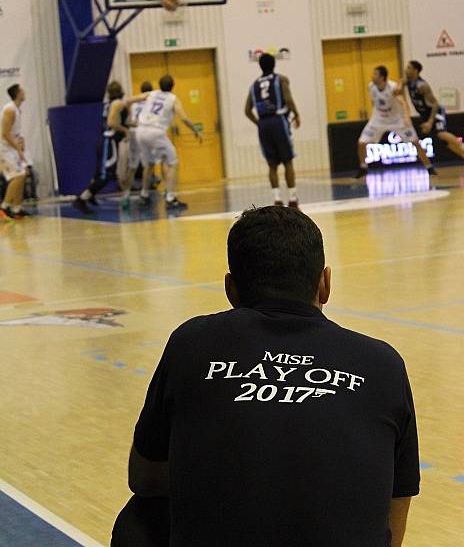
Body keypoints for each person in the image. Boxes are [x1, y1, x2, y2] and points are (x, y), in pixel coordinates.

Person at [111, 206, 420, 547]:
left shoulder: (192, 342)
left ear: (231, 289)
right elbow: (395, 504)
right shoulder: (383, 363)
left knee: (139, 521)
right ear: (325, 283)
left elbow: (145, 478)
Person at [74, 81, 147, 215]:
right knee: (106, 175)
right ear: (120, 90)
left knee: (100, 173)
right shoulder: (117, 103)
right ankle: (82, 199)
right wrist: (125, 130)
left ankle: (91, 196)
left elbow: (128, 104)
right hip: (109, 141)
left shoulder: (113, 103)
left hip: (106, 141)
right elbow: (111, 122)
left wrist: (135, 124)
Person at [400, 60, 464, 174]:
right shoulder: (408, 81)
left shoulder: (422, 86)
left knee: (441, 133)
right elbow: (401, 82)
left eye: (408, 68)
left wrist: (430, 122)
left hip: (435, 111)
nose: (405, 70)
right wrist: (399, 87)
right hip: (425, 114)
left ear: (415, 70)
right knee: (445, 143)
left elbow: (435, 103)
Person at [136, 75, 202, 210]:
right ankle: (170, 198)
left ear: (159, 85)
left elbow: (131, 99)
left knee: (149, 164)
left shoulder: (151, 94)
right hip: (156, 132)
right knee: (173, 163)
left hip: (140, 131)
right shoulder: (173, 99)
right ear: (173, 86)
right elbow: (183, 117)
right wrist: (195, 130)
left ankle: (144, 194)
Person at [356, 65, 435, 178]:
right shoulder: (371, 87)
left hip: (397, 119)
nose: (372, 76)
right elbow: (374, 101)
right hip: (379, 119)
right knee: (361, 143)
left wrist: (407, 117)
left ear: (382, 77)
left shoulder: (393, 87)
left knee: (415, 142)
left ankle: (429, 168)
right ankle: (363, 167)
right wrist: (372, 116)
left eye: (375, 74)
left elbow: (403, 102)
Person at [245, 53, 300, 207]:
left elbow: (247, 110)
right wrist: (296, 113)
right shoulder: (280, 79)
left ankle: (277, 199)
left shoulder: (253, 85)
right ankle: (293, 199)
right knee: (287, 161)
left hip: (263, 123)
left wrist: (259, 123)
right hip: (278, 121)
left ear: (260, 66)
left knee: (272, 164)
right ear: (274, 64)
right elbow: (288, 99)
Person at [118, 81, 153, 210]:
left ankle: (126, 196)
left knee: (132, 166)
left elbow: (126, 103)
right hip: (143, 132)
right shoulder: (152, 101)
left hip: (133, 132)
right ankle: (144, 193)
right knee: (148, 165)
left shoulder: (133, 102)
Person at [0, 84, 29, 220]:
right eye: (22, 90)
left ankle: (17, 208)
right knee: (17, 176)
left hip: (12, 147)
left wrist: (21, 141)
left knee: (24, 173)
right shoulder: (10, 109)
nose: (24, 92)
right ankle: (4, 207)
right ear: (18, 94)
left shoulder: (17, 109)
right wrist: (18, 149)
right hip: (5, 148)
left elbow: (14, 131)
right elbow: (5, 133)